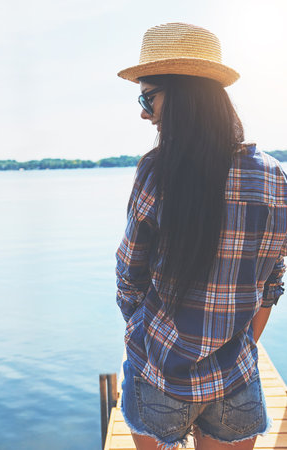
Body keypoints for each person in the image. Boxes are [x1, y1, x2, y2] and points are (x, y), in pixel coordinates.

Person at [115, 23, 287, 450]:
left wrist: (146, 330)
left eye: (147, 98)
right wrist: (238, 344)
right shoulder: (275, 177)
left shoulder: (157, 172)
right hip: (236, 377)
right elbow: (272, 282)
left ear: (181, 96)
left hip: (160, 373)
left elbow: (128, 277)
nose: (143, 112)